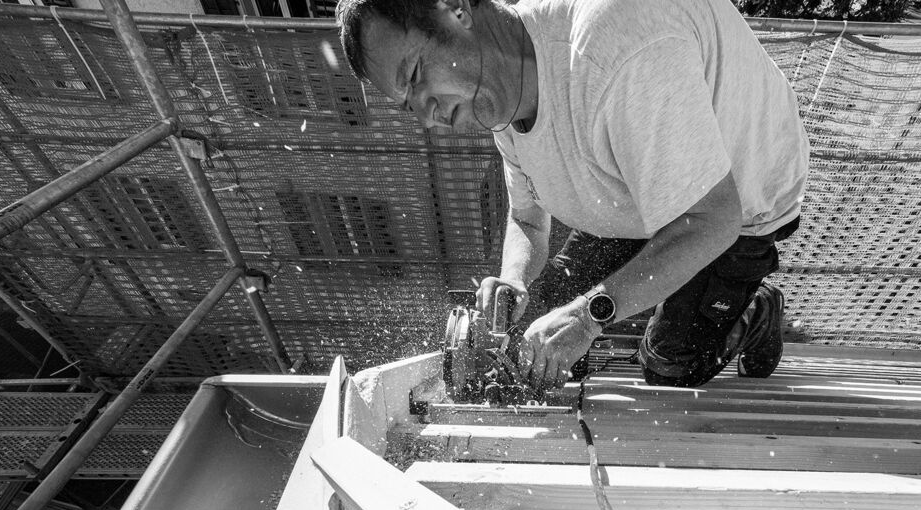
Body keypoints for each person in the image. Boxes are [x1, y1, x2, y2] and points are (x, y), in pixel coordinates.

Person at [336, 0, 809, 393]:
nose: (428, 115)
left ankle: (755, 310)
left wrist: (588, 316)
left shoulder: (616, 48)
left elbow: (712, 219)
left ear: (455, 9)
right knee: (531, 346)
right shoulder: (497, 92)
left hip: (740, 206)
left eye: (415, 75)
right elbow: (527, 217)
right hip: (635, 198)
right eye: (408, 105)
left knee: (670, 368)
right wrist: (514, 279)